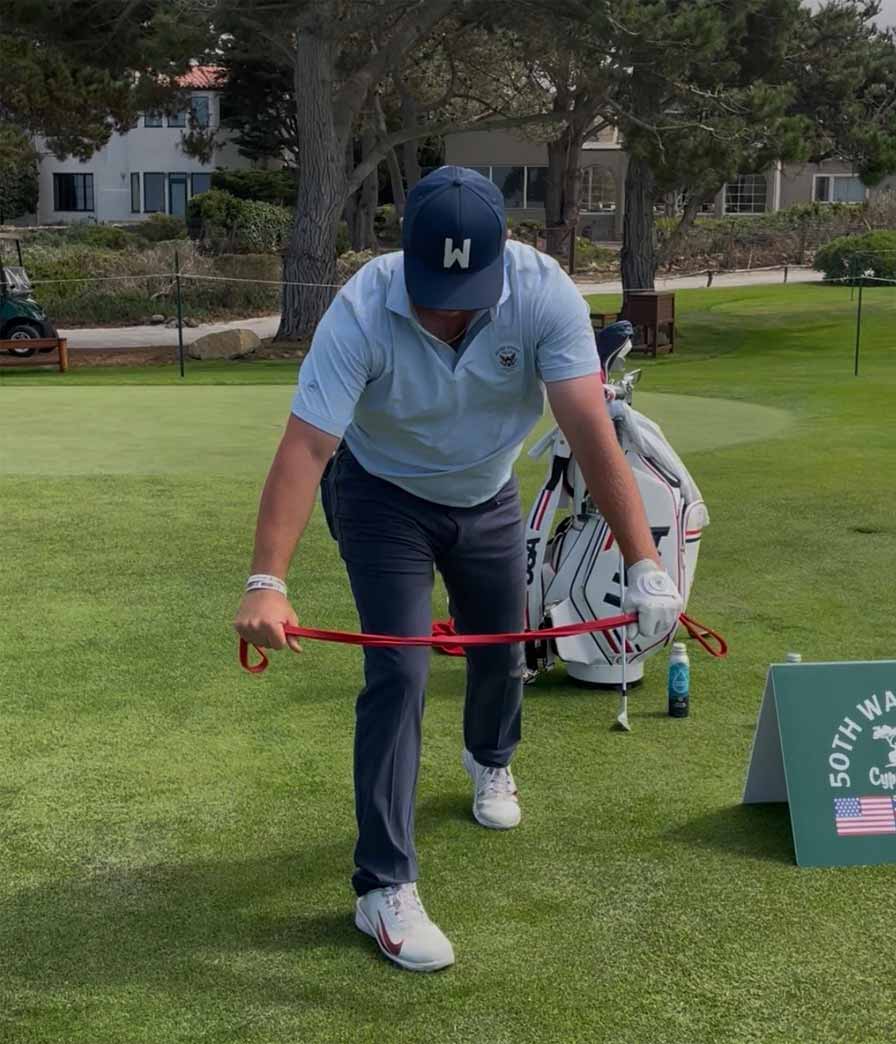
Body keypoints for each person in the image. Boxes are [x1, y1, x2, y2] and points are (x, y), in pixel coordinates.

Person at [233, 166, 684, 972]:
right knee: (399, 671)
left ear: (499, 262)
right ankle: (383, 887)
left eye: (463, 288)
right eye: (432, 287)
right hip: (379, 495)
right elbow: (307, 445)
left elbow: (588, 425)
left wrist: (645, 563)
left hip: (485, 494)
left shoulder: (543, 295)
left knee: (498, 647)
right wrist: (268, 579)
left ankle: (491, 761)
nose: (445, 307)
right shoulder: (362, 308)